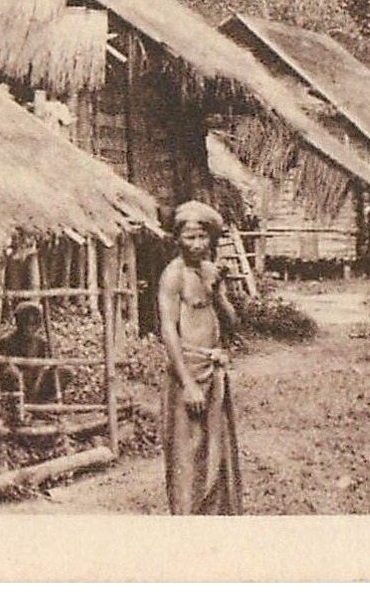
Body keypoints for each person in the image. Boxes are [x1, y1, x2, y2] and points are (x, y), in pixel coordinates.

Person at [157, 200, 242, 515]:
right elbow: (168, 329)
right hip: (188, 373)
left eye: (202, 237)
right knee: (187, 454)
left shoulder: (210, 272)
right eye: (189, 237)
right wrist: (188, 383)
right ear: (178, 239)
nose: (196, 244)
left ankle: (218, 519)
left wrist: (218, 292)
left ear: (212, 239)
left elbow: (232, 321)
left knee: (218, 453)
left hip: (213, 370)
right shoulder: (173, 276)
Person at [0, 300, 59, 405]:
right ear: (18, 323)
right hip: (16, 381)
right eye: (26, 324)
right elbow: (3, 368)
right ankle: (17, 405)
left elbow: (42, 365)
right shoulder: (5, 341)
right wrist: (14, 371)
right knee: (11, 374)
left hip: (36, 380)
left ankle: (41, 402)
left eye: (33, 324)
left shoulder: (41, 342)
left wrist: (49, 368)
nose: (29, 329)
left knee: (64, 372)